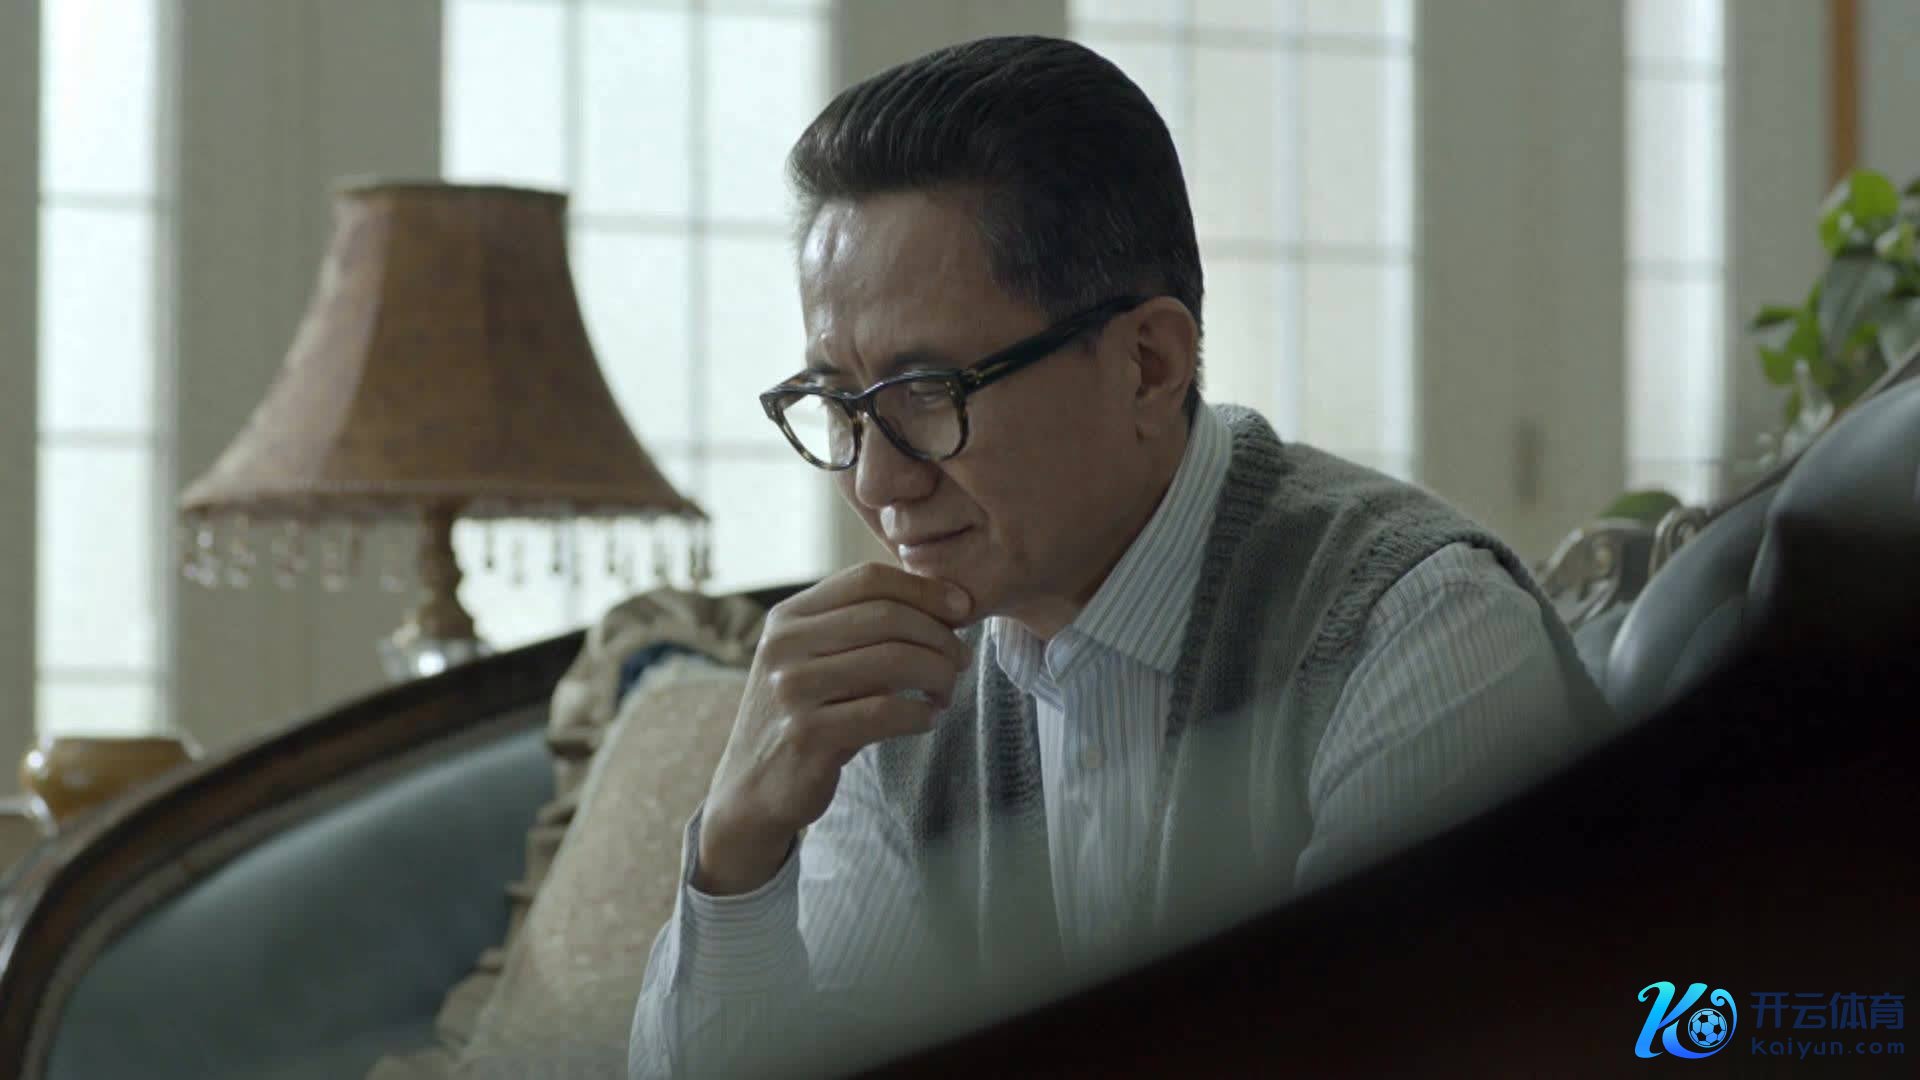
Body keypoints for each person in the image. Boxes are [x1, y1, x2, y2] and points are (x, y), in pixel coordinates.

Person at [630, 35, 1614, 1080]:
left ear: (1149, 364)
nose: (877, 483)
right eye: (840, 404)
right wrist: (738, 849)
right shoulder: (900, 691)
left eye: (927, 393)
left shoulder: (1416, 631)